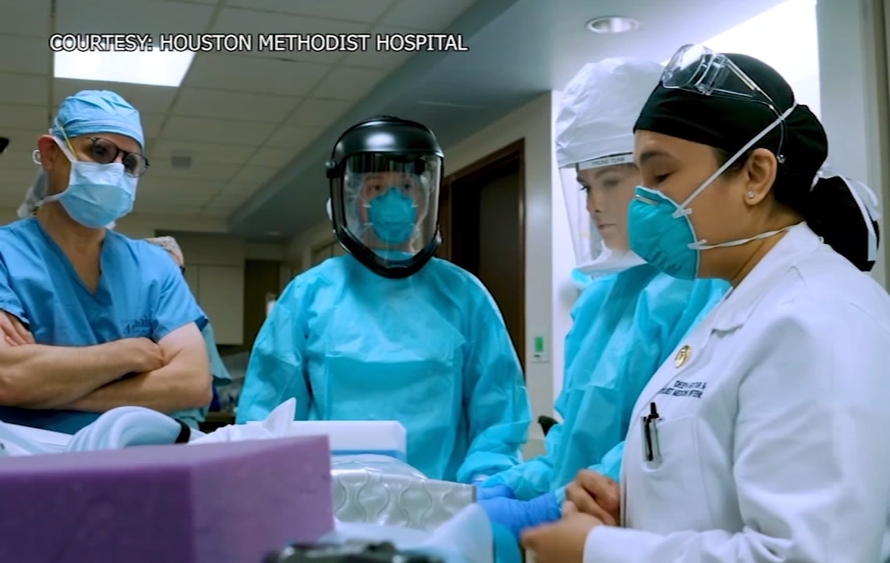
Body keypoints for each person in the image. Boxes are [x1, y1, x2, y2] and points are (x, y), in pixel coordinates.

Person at [521, 46, 890, 563]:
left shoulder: (821, 319)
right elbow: (711, 487)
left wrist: (597, 549)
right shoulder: (744, 307)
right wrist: (629, 505)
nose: (642, 202)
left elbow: (804, 555)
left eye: (659, 177)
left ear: (755, 175)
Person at [474, 58, 727, 539]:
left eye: (610, 181)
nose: (593, 204)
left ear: (659, 175)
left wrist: (555, 505)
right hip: (585, 531)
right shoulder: (601, 298)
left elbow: (668, 440)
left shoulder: (703, 284)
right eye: (586, 186)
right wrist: (523, 483)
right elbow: (574, 440)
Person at [237, 116, 531, 483]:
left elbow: (498, 414)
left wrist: (486, 486)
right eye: (376, 187)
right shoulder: (309, 295)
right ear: (351, 199)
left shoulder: (463, 294)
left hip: (442, 499)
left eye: (406, 186)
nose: (393, 200)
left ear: (423, 199)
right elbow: (267, 414)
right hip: (329, 499)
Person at [0, 90, 212, 434]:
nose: (116, 170)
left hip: (134, 459)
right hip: (28, 461)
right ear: (51, 153)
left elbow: (192, 383)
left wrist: (52, 390)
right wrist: (127, 354)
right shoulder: (6, 255)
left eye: (129, 163)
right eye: (100, 151)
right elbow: (7, 378)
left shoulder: (155, 267)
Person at [143, 236, 233, 430]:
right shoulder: (125, 314)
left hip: (182, 424)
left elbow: (195, 388)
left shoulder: (194, 322)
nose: (170, 279)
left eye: (177, 272)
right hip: (128, 421)